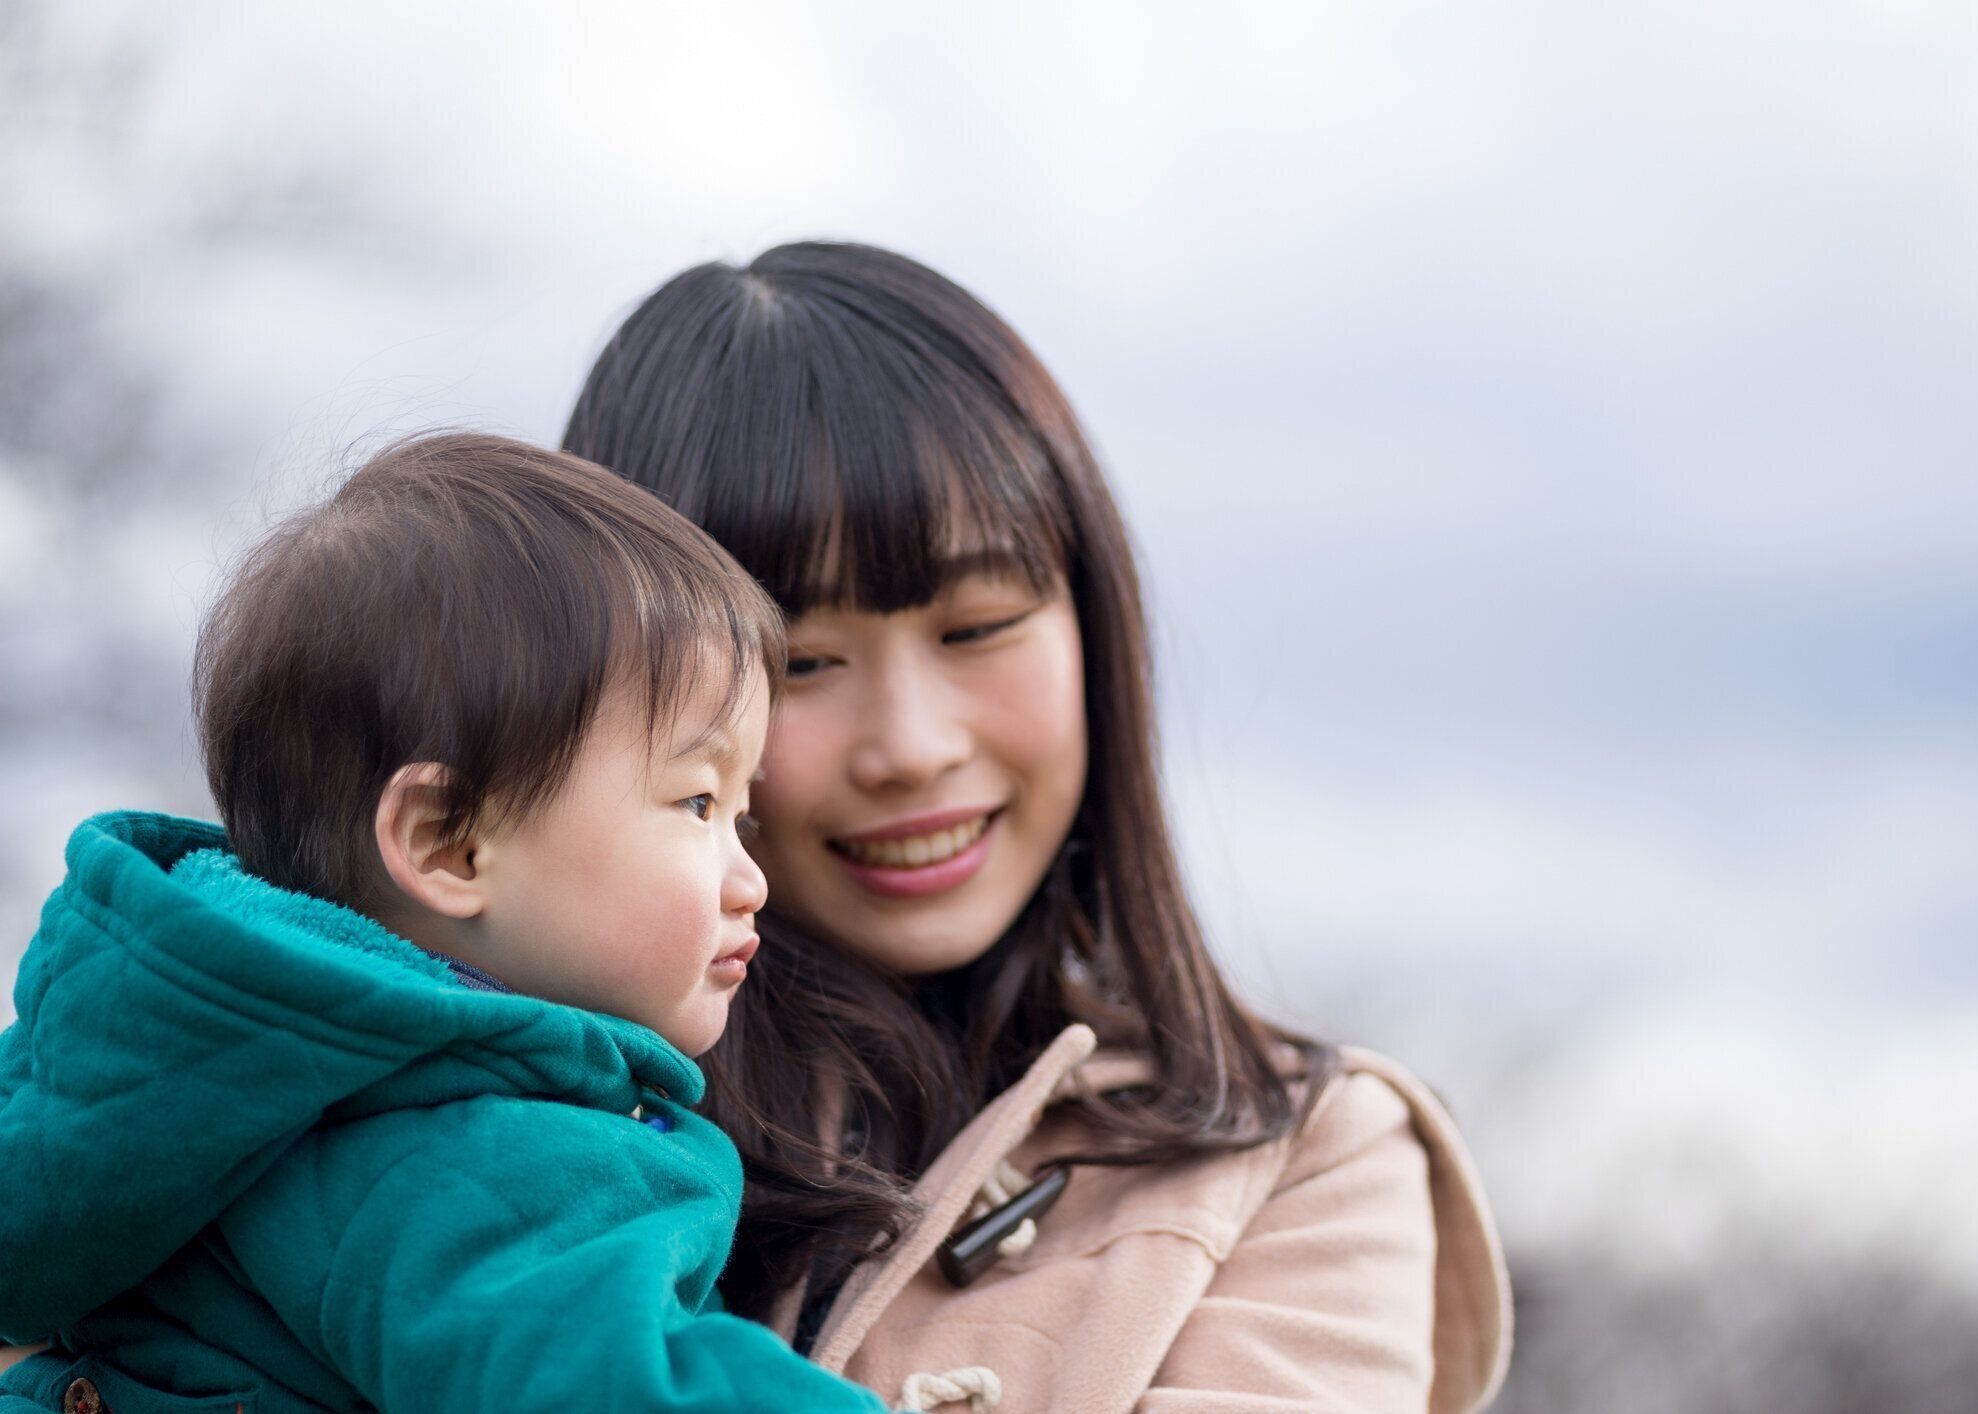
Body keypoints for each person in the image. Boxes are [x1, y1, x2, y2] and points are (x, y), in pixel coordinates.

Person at [562, 242, 1514, 1412]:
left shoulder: (1296, 1161)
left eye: (977, 627)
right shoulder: (466, 1099)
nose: (911, 745)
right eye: (801, 660)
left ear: (1094, 628)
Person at [0, 435, 934, 1412]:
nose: (751, 879)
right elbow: (630, 1389)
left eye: (742, 815)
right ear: (450, 845)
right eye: (698, 803)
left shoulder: (185, 1072)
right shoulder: (468, 1150)